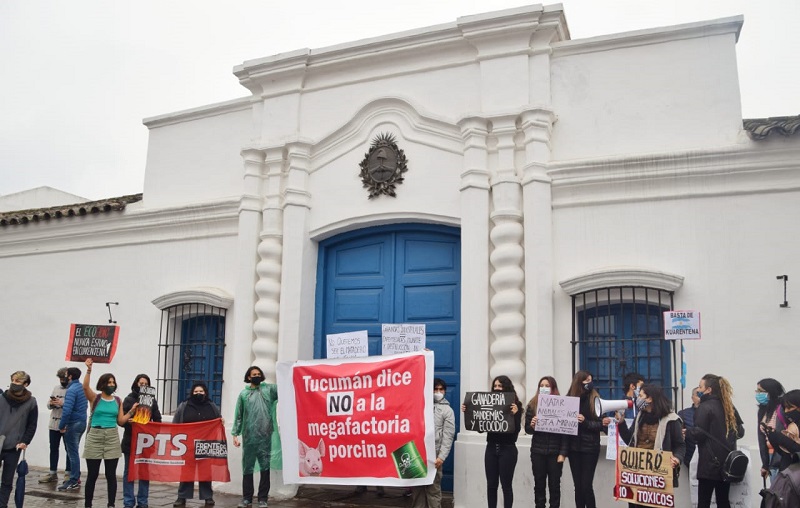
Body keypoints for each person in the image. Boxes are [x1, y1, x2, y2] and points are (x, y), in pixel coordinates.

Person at [81, 359, 139, 508]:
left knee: (110, 475)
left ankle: (111, 504)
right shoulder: (96, 398)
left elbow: (120, 421)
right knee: (92, 475)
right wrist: (88, 370)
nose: (111, 385)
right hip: (95, 435)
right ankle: (88, 504)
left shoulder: (117, 401)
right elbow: (85, 386)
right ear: (102, 384)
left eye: (113, 382)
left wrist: (131, 412)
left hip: (112, 436)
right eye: (109, 382)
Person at [617, 384, 685, 508]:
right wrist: (621, 423)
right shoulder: (640, 417)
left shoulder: (671, 419)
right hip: (638, 474)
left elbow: (680, 445)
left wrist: (677, 458)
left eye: (641, 395)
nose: (638, 398)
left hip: (658, 477)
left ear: (650, 399)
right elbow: (629, 440)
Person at [462, 375, 522, 508]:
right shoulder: (489, 403)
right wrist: (470, 411)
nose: (497, 388)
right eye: (495, 386)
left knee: (506, 486)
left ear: (507, 387)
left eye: (500, 386)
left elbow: (516, 431)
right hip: (491, 449)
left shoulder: (515, 405)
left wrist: (515, 415)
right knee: (491, 485)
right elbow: (480, 427)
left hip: (508, 449)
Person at [687, 373, 744, 508]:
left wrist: (687, 432)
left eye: (700, 387)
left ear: (709, 389)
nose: (699, 390)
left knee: (704, 501)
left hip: (709, 463)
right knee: (723, 500)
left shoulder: (705, 407)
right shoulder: (729, 406)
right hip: (727, 462)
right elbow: (740, 432)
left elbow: (698, 434)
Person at [232, 366, 279, 508]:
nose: (257, 376)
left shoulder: (269, 390)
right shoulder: (243, 395)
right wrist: (235, 434)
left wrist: (293, 369)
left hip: (265, 437)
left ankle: (262, 498)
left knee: (265, 468)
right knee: (248, 468)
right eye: (254, 374)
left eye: (259, 374)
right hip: (249, 437)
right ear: (248, 377)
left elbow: (285, 386)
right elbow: (239, 415)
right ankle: (247, 498)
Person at [566, 370, 611, 508]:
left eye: (590, 380)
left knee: (586, 486)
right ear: (579, 382)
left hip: (590, 448)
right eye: (586, 381)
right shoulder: (569, 399)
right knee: (578, 487)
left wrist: (585, 422)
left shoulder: (596, 399)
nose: (589, 383)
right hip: (573, 448)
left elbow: (603, 425)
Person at [173, 382, 221, 507]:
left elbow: (218, 421)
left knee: (205, 472)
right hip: (188, 444)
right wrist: (176, 440)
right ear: (191, 393)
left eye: (201, 391)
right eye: (196, 392)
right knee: (186, 472)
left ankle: (208, 497)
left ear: (205, 392)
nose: (198, 394)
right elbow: (176, 424)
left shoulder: (212, 406)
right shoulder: (184, 406)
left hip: (206, 444)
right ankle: (182, 497)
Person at [411, 378, 455, 508]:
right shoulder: (421, 406)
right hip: (417, 453)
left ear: (445, 392)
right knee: (417, 489)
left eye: (441, 389)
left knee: (433, 490)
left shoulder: (448, 411)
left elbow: (448, 436)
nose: (438, 392)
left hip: (434, 455)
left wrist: (441, 456)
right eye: (435, 389)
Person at [524, 376, 567, 508]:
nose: (544, 388)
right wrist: (532, 425)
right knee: (539, 485)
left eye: (547, 386)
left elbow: (566, 432)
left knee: (554, 486)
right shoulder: (532, 405)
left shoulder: (562, 405)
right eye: (541, 385)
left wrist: (562, 453)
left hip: (555, 453)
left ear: (553, 388)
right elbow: (527, 430)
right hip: (537, 452)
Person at [121, 374, 162, 508]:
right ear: (136, 384)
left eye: (145, 384)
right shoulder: (128, 400)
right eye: (141, 383)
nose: (143, 386)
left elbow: (158, 420)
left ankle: (143, 502)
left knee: (144, 472)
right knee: (129, 472)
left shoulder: (152, 401)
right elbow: (122, 420)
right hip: (130, 441)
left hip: (145, 443)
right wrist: (130, 421)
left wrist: (149, 427)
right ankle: (128, 501)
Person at [0, 371, 38, 508]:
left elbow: (32, 424)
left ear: (25, 384)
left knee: (7, 480)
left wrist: (25, 441)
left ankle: (2, 504)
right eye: (13, 380)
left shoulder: (31, 402)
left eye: (18, 381)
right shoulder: (1, 398)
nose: (14, 383)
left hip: (14, 446)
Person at [58, 367, 88, 492]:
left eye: (66, 375)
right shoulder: (81, 388)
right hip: (82, 422)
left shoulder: (71, 390)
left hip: (73, 423)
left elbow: (67, 410)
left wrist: (61, 425)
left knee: (72, 453)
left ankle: (74, 479)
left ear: (69, 376)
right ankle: (75, 478)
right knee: (74, 451)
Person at [39, 367, 71, 483]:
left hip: (67, 424)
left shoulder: (73, 389)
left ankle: (68, 473)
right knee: (53, 448)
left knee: (69, 449)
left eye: (64, 378)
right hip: (54, 423)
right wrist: (52, 403)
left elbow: (74, 406)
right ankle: (52, 472)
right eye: (60, 378)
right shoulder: (56, 388)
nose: (62, 381)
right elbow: (48, 405)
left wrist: (62, 403)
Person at [755, 378, 785, 485]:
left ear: (771, 392)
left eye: (761, 391)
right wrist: (765, 464)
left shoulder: (782, 409)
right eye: (757, 391)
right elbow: (761, 438)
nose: (757, 394)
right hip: (770, 455)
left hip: (781, 457)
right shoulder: (763, 410)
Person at [763, 389, 800, 472]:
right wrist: (774, 438)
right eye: (785, 408)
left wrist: (782, 439)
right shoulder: (792, 424)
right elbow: (786, 453)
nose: (786, 411)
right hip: (788, 474)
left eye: (790, 407)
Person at [677, 386, 701, 469]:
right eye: (698, 394)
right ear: (692, 398)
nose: (700, 397)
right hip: (690, 456)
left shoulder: (710, 412)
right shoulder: (683, 414)